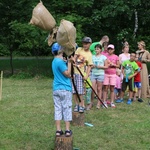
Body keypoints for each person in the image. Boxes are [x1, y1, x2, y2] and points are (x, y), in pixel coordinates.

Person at [51, 43, 73, 137]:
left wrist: (65, 61)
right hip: (65, 88)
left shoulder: (54, 61)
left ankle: (58, 130)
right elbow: (67, 74)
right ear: (61, 50)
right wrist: (69, 63)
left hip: (56, 88)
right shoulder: (60, 62)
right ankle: (67, 130)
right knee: (66, 108)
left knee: (58, 109)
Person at [72, 37, 93, 113]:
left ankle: (81, 105)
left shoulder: (89, 55)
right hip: (75, 73)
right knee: (74, 91)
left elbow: (89, 66)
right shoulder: (79, 49)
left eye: (87, 43)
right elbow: (74, 57)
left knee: (80, 91)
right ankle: (76, 104)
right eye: (84, 43)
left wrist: (87, 75)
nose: (85, 45)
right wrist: (73, 61)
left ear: (90, 44)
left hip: (82, 74)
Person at [90, 44, 108, 109]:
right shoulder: (92, 57)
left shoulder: (104, 57)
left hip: (100, 74)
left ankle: (98, 103)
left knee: (99, 89)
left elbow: (106, 66)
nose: (96, 50)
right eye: (95, 49)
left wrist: (100, 66)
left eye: (97, 49)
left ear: (100, 50)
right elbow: (90, 65)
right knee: (92, 88)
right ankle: (91, 103)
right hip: (93, 74)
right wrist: (92, 66)